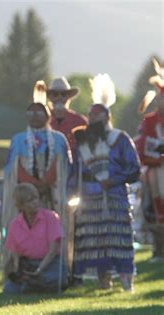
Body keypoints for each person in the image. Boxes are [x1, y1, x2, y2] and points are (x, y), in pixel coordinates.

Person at [70, 74, 140, 291]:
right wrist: (69, 194)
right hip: (90, 198)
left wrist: (114, 180)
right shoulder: (83, 142)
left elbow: (134, 170)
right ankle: (104, 280)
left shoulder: (120, 139)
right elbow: (75, 171)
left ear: (107, 117)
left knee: (118, 239)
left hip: (115, 197)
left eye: (96, 116)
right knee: (96, 241)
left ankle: (126, 281)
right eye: (90, 115)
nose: (91, 119)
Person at [1, 81, 71, 277]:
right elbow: (14, 169)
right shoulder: (18, 139)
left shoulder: (58, 140)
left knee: (55, 226)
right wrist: (31, 185)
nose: (34, 116)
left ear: (48, 116)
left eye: (39, 112)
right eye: (30, 112)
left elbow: (63, 166)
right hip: (25, 194)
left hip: (52, 193)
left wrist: (45, 183)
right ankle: (15, 267)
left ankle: (60, 267)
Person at [3, 183, 67, 294]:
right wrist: (19, 271)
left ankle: (34, 284)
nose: (35, 202)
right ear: (20, 206)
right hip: (28, 264)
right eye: (30, 200)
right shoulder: (14, 225)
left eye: (36, 198)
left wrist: (39, 269)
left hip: (50, 263)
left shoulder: (51, 217)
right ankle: (33, 284)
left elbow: (54, 249)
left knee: (54, 279)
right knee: (9, 290)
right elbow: (15, 254)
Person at [134, 58, 164, 262]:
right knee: (155, 207)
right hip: (154, 170)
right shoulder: (149, 121)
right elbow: (142, 147)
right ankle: (158, 249)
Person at [47, 77, 88, 151]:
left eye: (63, 94)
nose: (59, 98)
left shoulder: (80, 121)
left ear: (68, 97)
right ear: (49, 97)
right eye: (55, 94)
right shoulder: (42, 120)